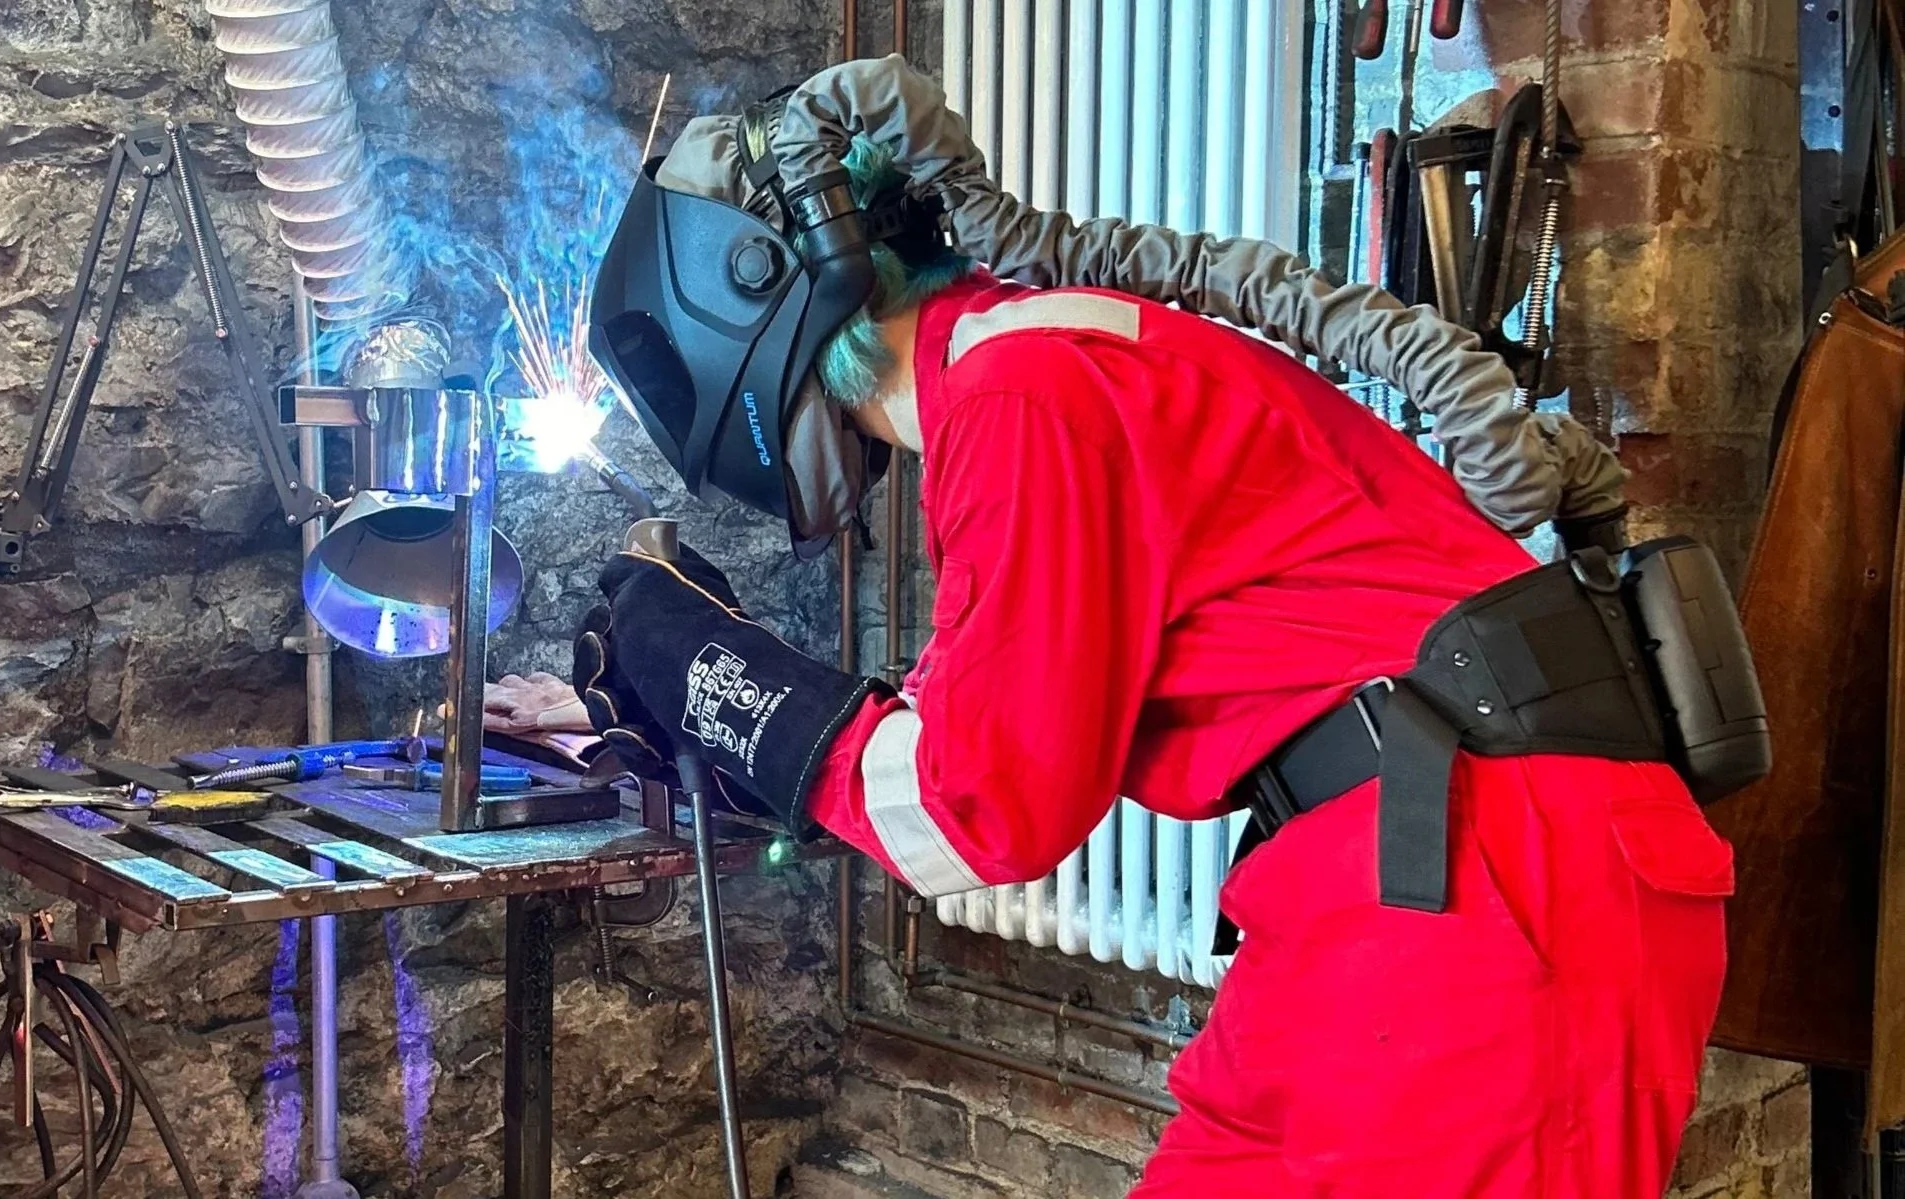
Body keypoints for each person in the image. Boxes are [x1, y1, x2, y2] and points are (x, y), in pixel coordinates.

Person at [575, 56, 1742, 1197]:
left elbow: (979, 806)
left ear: (740, 286)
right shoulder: (1034, 362)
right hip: (1472, 876)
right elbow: (974, 713)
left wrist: (694, 663)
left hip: (1480, 906)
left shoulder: (1023, 399)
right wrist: (739, 715)